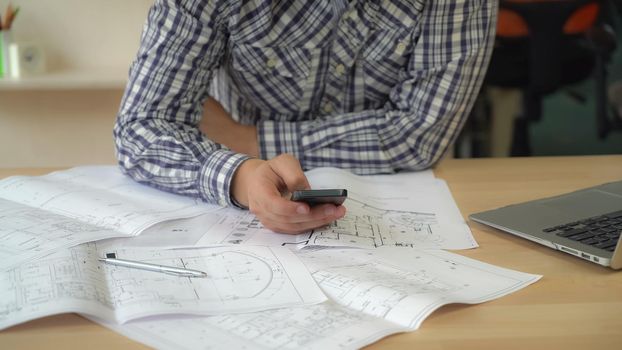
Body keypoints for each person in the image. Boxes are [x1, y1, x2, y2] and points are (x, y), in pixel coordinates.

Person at [114, 0, 497, 234]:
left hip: (395, 205)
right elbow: (141, 126)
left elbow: (418, 136)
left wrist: (247, 139)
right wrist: (240, 176)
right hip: (237, 212)